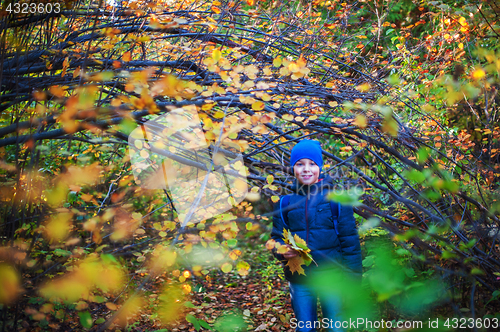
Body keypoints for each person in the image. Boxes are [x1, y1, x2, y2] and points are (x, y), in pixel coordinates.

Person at [270, 139, 362, 332]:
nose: (306, 169)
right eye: (300, 164)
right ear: (293, 168)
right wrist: (281, 250)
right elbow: (275, 238)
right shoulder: (284, 202)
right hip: (299, 279)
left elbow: (349, 242)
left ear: (320, 167)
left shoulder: (336, 199)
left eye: (312, 164)